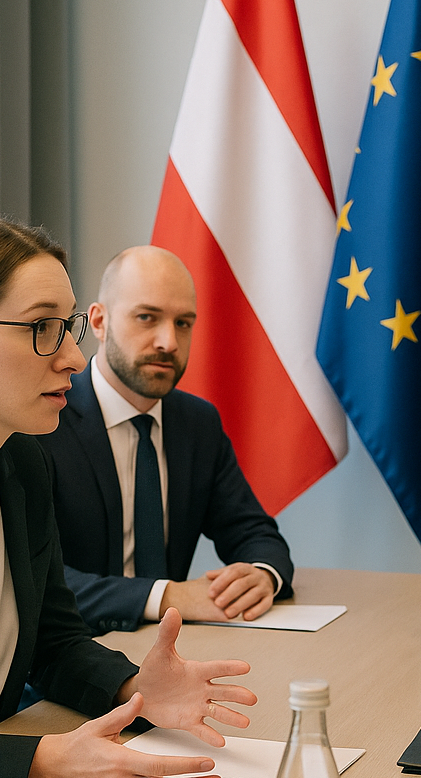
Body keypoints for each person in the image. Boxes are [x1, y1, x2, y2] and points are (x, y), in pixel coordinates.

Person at [0, 216, 258, 778]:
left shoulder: (23, 467)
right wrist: (43, 763)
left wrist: (135, 688)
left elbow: (53, 642)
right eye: (40, 327)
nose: (71, 357)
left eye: (66, 328)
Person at [38, 245, 293, 634]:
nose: (168, 342)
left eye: (184, 323)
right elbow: (39, 581)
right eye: (147, 318)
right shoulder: (44, 420)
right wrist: (168, 596)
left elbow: (254, 532)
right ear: (100, 321)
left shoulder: (197, 423)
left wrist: (261, 575)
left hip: (173, 651)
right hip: (68, 662)